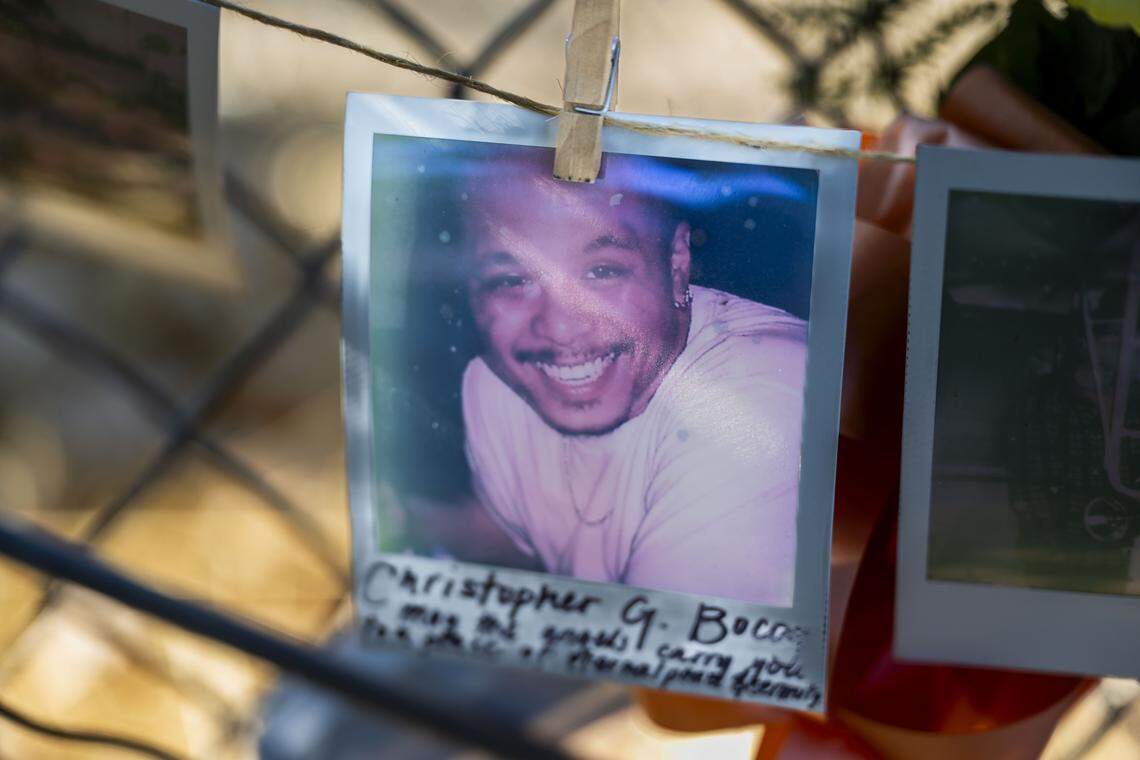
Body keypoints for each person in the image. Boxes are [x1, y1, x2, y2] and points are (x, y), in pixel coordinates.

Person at [458, 153, 807, 606]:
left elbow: (677, 649)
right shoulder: (493, 389)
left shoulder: (764, 391)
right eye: (511, 280)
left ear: (677, 262)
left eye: (602, 271)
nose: (560, 329)